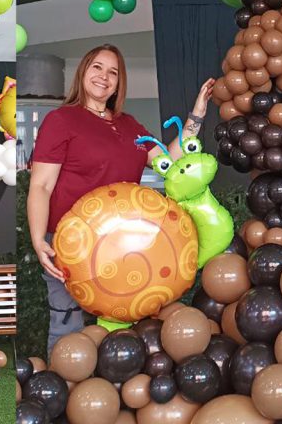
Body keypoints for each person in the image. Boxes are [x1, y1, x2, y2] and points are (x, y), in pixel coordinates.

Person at [27, 43, 215, 353]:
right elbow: (41, 186)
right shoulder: (61, 120)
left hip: (124, 245)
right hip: (70, 242)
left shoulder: (129, 125)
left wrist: (196, 115)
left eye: (113, 72)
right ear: (83, 71)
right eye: (97, 67)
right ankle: (61, 394)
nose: (104, 76)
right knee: (67, 324)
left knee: (122, 325)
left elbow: (169, 160)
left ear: (119, 82)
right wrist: (38, 239)